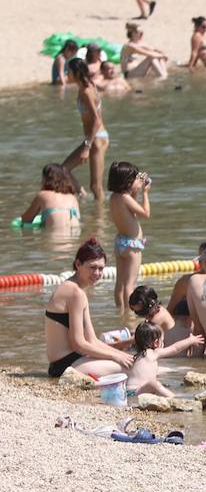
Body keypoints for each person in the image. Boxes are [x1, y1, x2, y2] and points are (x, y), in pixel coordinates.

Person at [44, 239, 132, 378]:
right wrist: (116, 357)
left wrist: (121, 354)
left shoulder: (74, 289)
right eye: (92, 267)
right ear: (78, 264)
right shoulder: (75, 294)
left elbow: (92, 340)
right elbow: (78, 344)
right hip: (64, 367)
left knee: (130, 361)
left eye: (101, 268)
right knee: (131, 369)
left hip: (63, 363)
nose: (97, 273)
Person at [61, 58, 109, 201]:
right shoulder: (84, 87)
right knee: (63, 170)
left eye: (68, 71)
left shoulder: (87, 91)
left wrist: (87, 147)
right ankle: (83, 197)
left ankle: (100, 220)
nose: (66, 74)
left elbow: (97, 120)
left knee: (96, 186)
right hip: (91, 139)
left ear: (76, 73)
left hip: (97, 139)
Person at [107, 162, 151, 313]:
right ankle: (130, 315)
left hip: (120, 243)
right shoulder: (125, 198)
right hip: (132, 246)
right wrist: (145, 192)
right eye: (134, 179)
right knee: (129, 285)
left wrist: (136, 190)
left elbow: (130, 209)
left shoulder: (115, 197)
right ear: (127, 182)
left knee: (120, 284)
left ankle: (120, 313)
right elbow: (145, 213)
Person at [123, 322, 203, 397]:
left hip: (128, 392)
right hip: (137, 392)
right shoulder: (152, 353)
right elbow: (175, 348)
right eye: (162, 340)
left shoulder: (138, 356)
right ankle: (174, 398)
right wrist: (190, 340)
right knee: (154, 384)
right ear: (156, 343)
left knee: (156, 384)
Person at [20, 164, 81, 228]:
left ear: (46, 179)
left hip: (52, 237)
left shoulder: (43, 195)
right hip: (74, 237)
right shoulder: (72, 197)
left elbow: (26, 219)